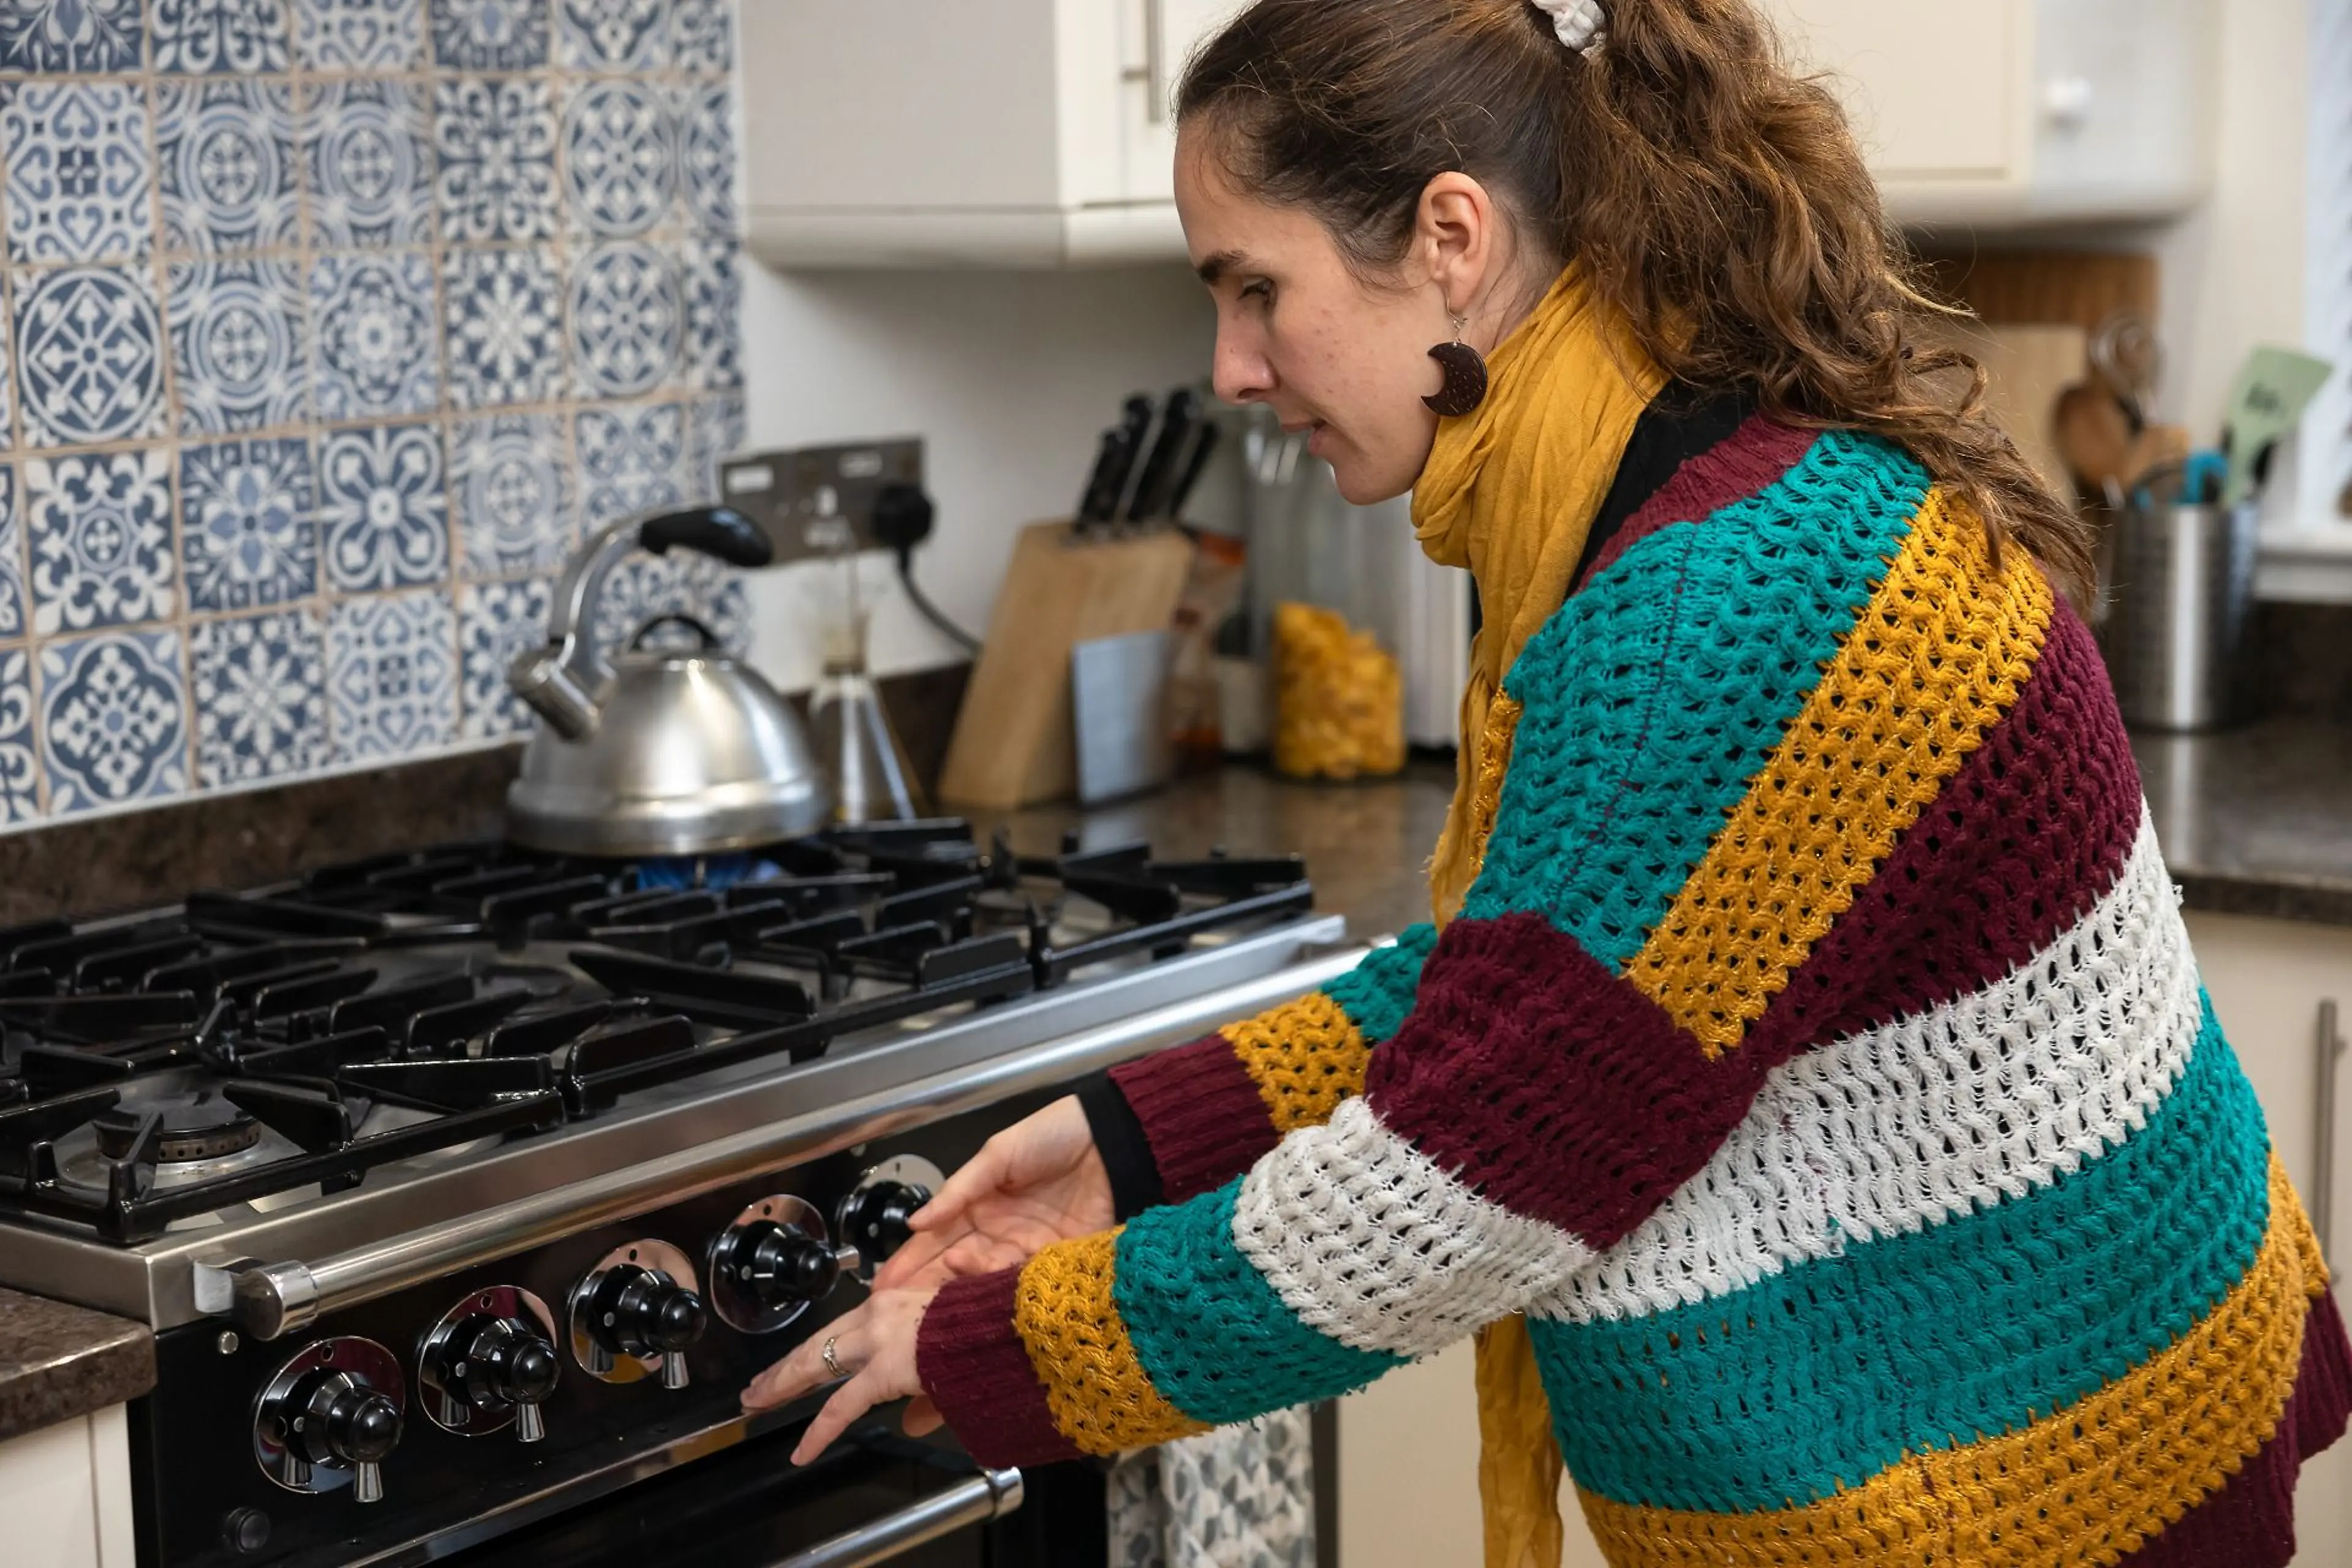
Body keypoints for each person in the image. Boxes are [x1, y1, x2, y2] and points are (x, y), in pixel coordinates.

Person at [745, 0, 2352, 1562]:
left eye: (1255, 288)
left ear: (1450, 238)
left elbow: (1471, 1172)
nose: (1232, 366)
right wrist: (1134, 1139)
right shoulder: (1683, 496)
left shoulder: (1723, 599)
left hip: (2042, 1486)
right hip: (2071, 1399)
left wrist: (1015, 1343)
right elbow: (1545, 985)